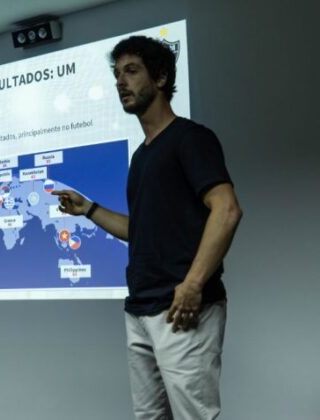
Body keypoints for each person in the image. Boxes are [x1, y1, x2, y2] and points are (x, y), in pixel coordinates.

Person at [52, 36, 243, 419]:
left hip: (181, 309)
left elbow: (226, 210)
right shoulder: (141, 157)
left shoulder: (191, 139)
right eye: (117, 74)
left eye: (132, 71)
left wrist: (192, 285)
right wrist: (88, 209)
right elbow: (139, 231)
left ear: (160, 78)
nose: (121, 82)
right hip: (140, 308)